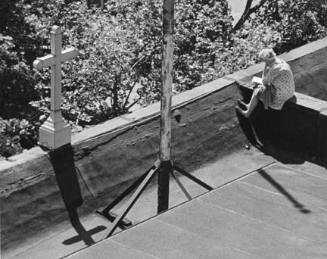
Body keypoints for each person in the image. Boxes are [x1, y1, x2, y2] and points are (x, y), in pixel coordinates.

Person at [237, 48, 295, 118]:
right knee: (258, 86)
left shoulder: (275, 68)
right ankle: (249, 105)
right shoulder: (280, 62)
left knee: (258, 90)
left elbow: (264, 81)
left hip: (282, 94)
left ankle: (247, 113)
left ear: (267, 60)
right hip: (290, 90)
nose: (263, 62)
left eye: (264, 61)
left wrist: (265, 67)